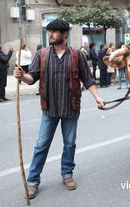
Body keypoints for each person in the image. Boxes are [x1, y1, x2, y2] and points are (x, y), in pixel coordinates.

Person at [13, 18, 105, 199]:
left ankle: (67, 174)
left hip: (71, 108)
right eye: (49, 32)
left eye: (54, 31)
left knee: (69, 143)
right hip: (50, 109)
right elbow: (32, 78)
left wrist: (98, 98)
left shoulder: (77, 54)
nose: (51, 34)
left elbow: (88, 80)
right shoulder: (42, 54)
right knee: (41, 145)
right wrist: (22, 76)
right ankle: (32, 181)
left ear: (64, 34)